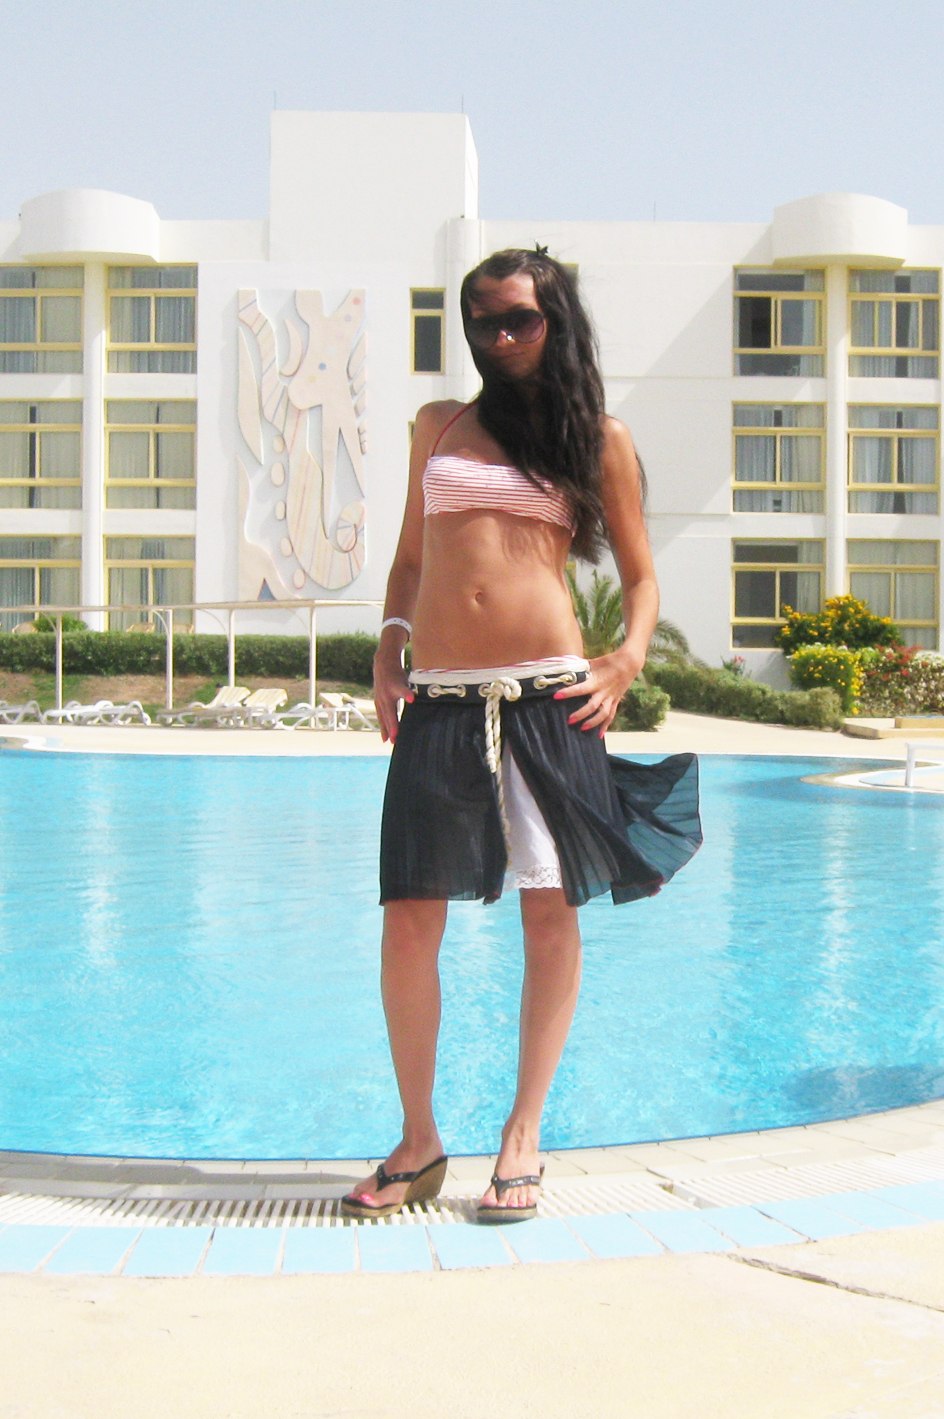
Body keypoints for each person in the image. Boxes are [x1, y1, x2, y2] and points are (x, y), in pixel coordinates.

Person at [341, 248, 701, 1223]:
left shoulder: (598, 440)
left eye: (520, 319)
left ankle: (522, 1134)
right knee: (408, 919)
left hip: (548, 701)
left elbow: (639, 577)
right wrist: (388, 645)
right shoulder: (437, 425)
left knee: (549, 916)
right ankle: (418, 1141)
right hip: (441, 702)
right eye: (483, 322)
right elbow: (411, 559)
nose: (500, 337)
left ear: (556, 320)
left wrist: (625, 658)